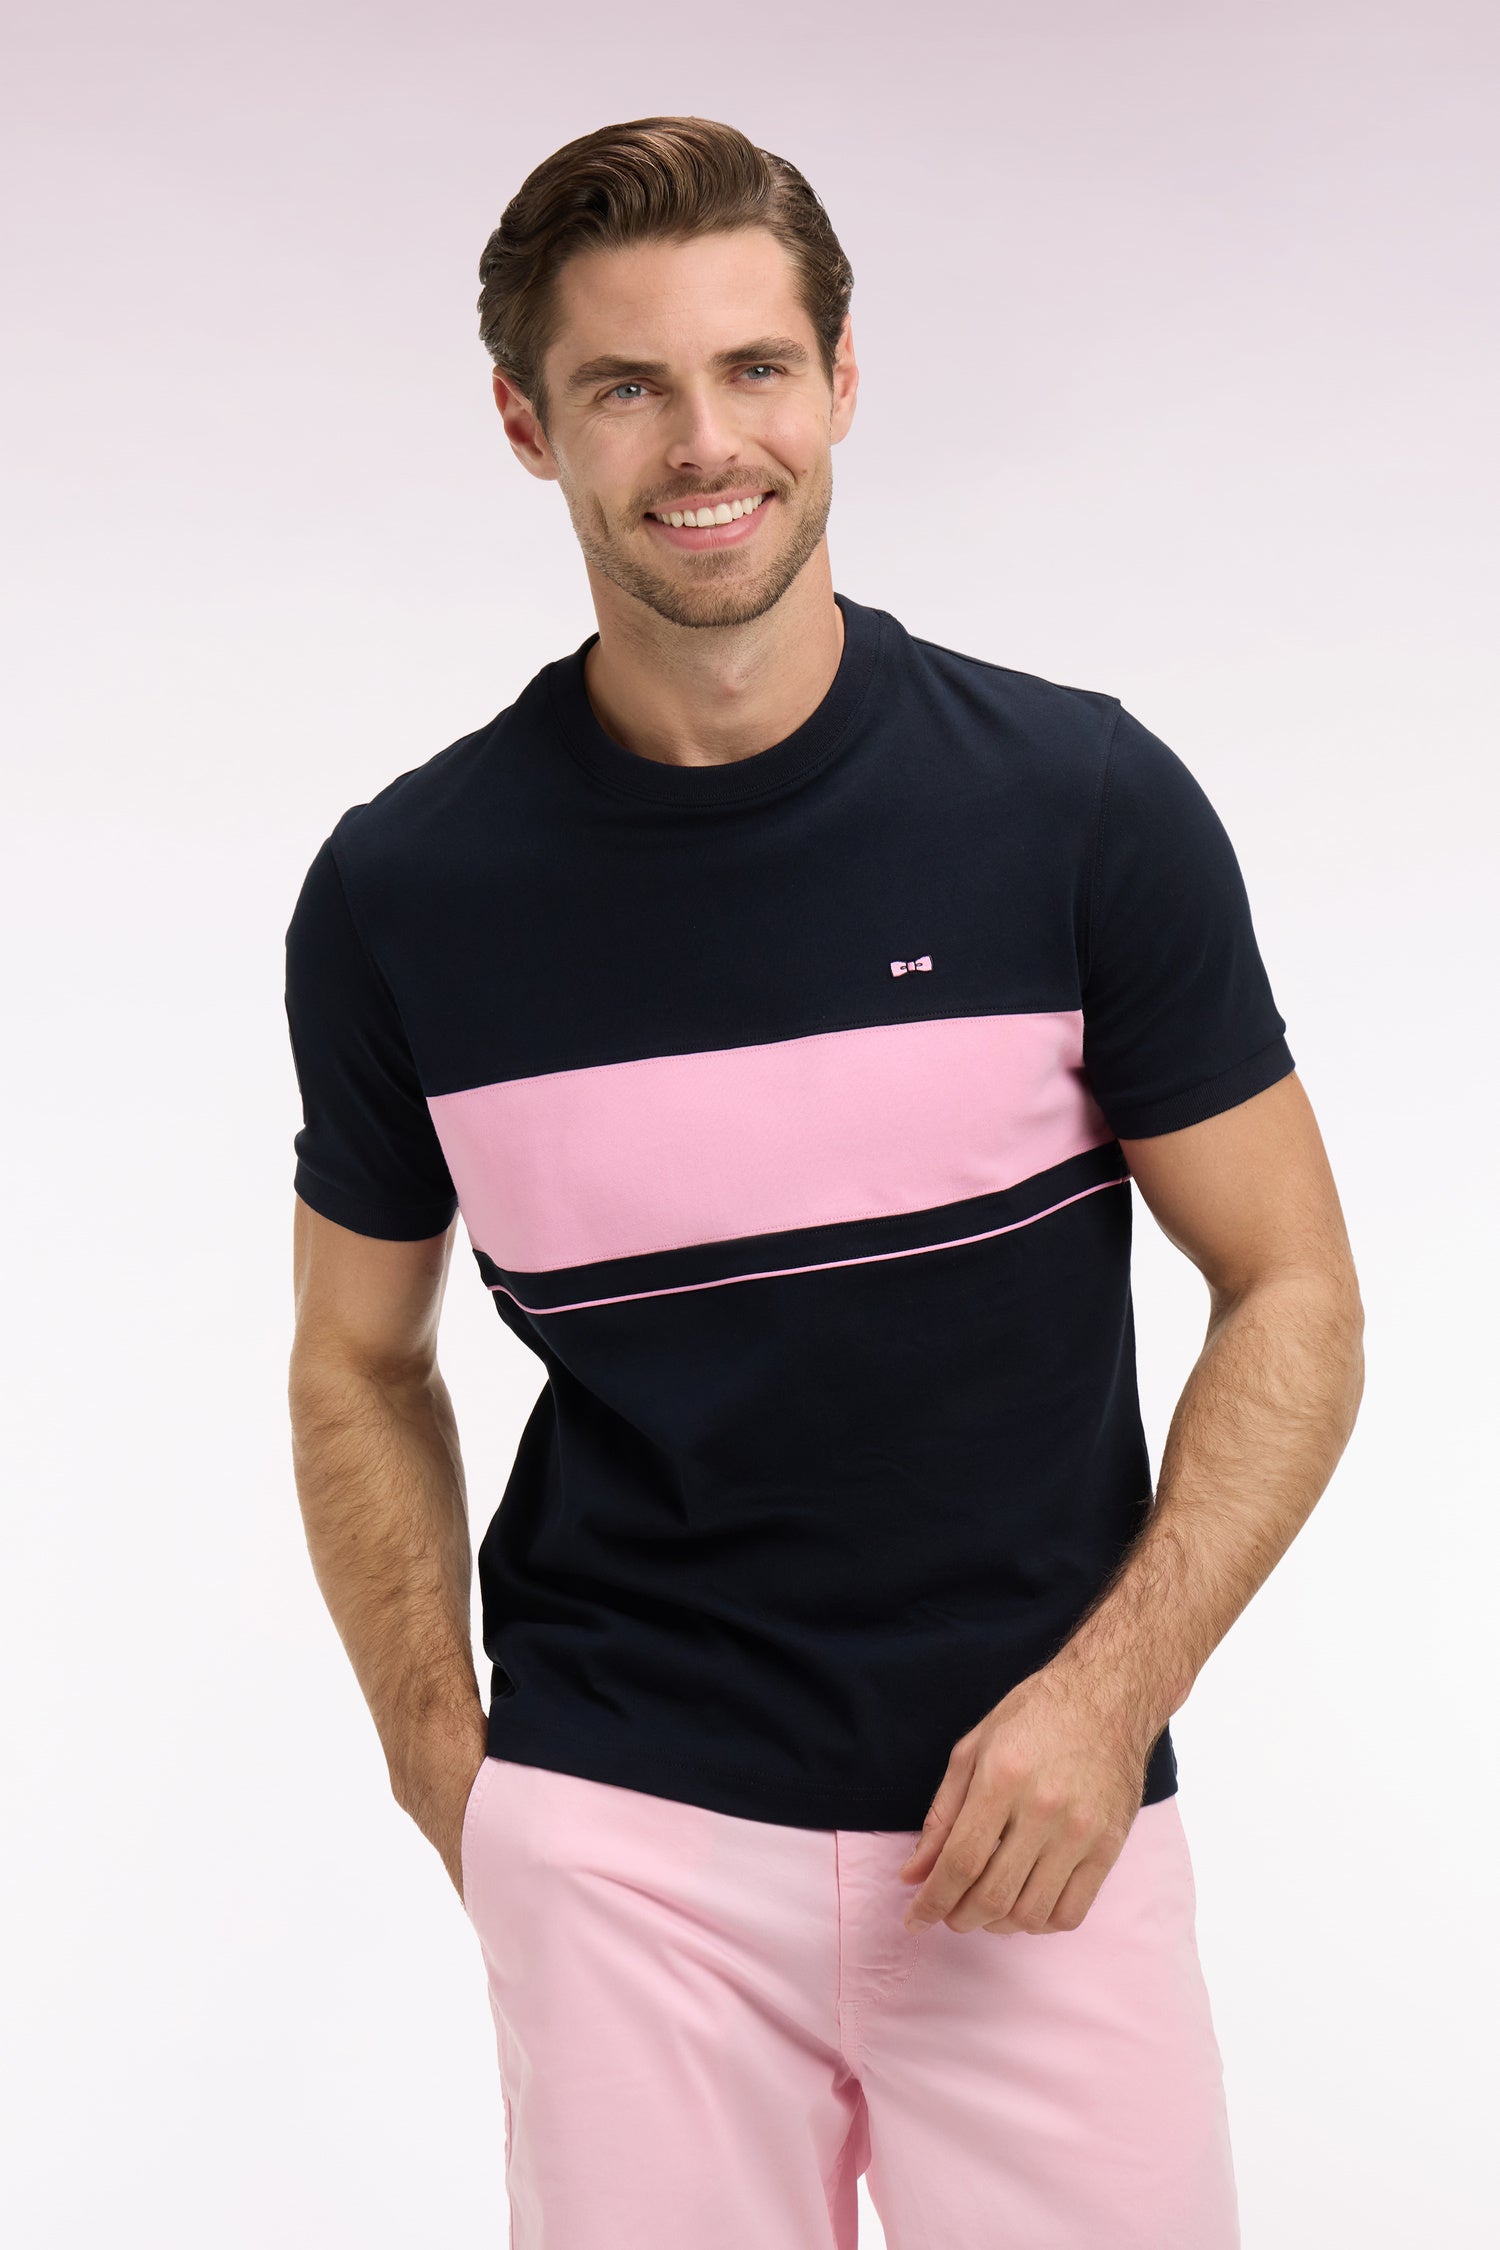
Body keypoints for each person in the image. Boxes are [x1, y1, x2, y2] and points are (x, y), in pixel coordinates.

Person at [283, 114, 1364, 2250]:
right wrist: (445, 1760)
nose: (707, 443)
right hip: (626, 1849)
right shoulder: (408, 895)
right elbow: (353, 1360)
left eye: (756, 367)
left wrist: (1111, 1699)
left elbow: (1297, 1291)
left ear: (843, 380)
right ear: (526, 423)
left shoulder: (1079, 806)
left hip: (1041, 1822)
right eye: (627, 384)